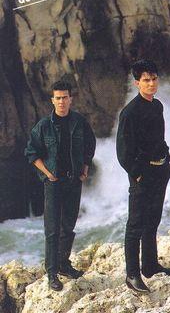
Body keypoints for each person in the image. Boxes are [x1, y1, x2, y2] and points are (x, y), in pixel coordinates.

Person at [25, 80, 96, 291]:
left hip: (73, 181)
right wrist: (48, 174)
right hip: (53, 183)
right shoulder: (44, 126)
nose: (62, 101)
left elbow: (90, 144)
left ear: (70, 99)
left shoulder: (79, 122)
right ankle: (52, 273)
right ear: (52, 100)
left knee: (68, 226)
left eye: (65, 97)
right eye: (58, 98)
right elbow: (31, 153)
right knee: (52, 229)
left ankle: (64, 264)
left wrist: (85, 167)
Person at [116, 59, 170, 294]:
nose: (151, 83)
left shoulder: (157, 105)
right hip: (143, 173)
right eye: (146, 80)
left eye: (154, 79)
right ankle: (132, 274)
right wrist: (137, 174)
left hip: (161, 169)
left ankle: (150, 265)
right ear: (137, 83)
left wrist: (166, 157)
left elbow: (157, 138)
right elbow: (123, 151)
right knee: (136, 224)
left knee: (153, 219)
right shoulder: (130, 112)